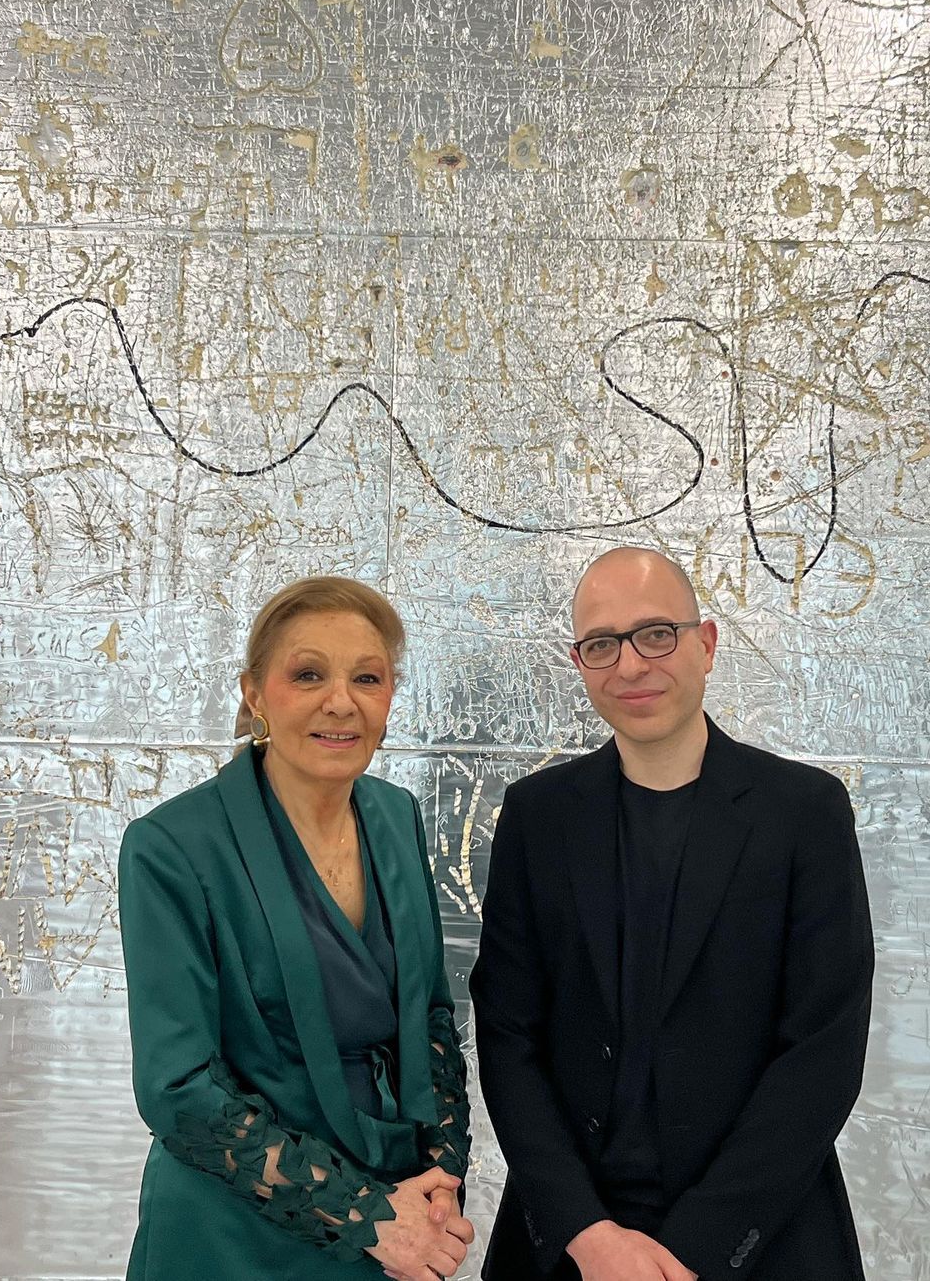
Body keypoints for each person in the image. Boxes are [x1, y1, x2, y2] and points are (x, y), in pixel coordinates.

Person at [470, 547, 874, 1280]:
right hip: (571, 1246)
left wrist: (696, 1250)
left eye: (657, 634)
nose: (630, 665)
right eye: (602, 644)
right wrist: (589, 1235)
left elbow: (823, 1051)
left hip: (758, 1241)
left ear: (706, 644)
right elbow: (506, 1034)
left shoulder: (804, 812)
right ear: (579, 662)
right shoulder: (537, 816)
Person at [119, 576, 473, 1281]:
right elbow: (178, 1089)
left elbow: (431, 1014)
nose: (340, 701)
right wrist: (364, 1216)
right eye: (308, 674)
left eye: (366, 677)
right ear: (255, 693)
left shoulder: (397, 815)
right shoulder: (170, 846)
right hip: (233, 1235)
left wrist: (441, 1172)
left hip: (398, 1213)